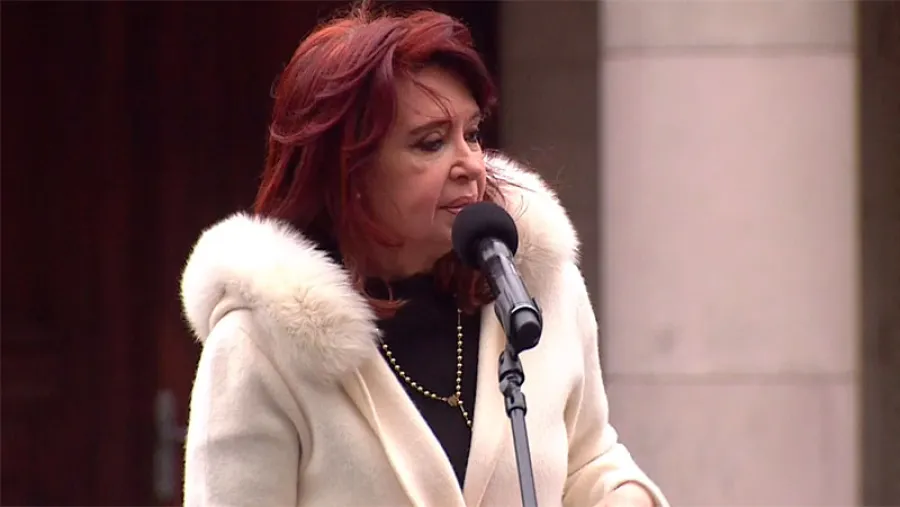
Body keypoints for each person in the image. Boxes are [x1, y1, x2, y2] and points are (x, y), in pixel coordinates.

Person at [179, 3, 669, 506]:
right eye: (431, 143)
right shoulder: (259, 347)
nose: (470, 164)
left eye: (472, 134)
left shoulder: (539, 290)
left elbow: (588, 463)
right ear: (349, 172)